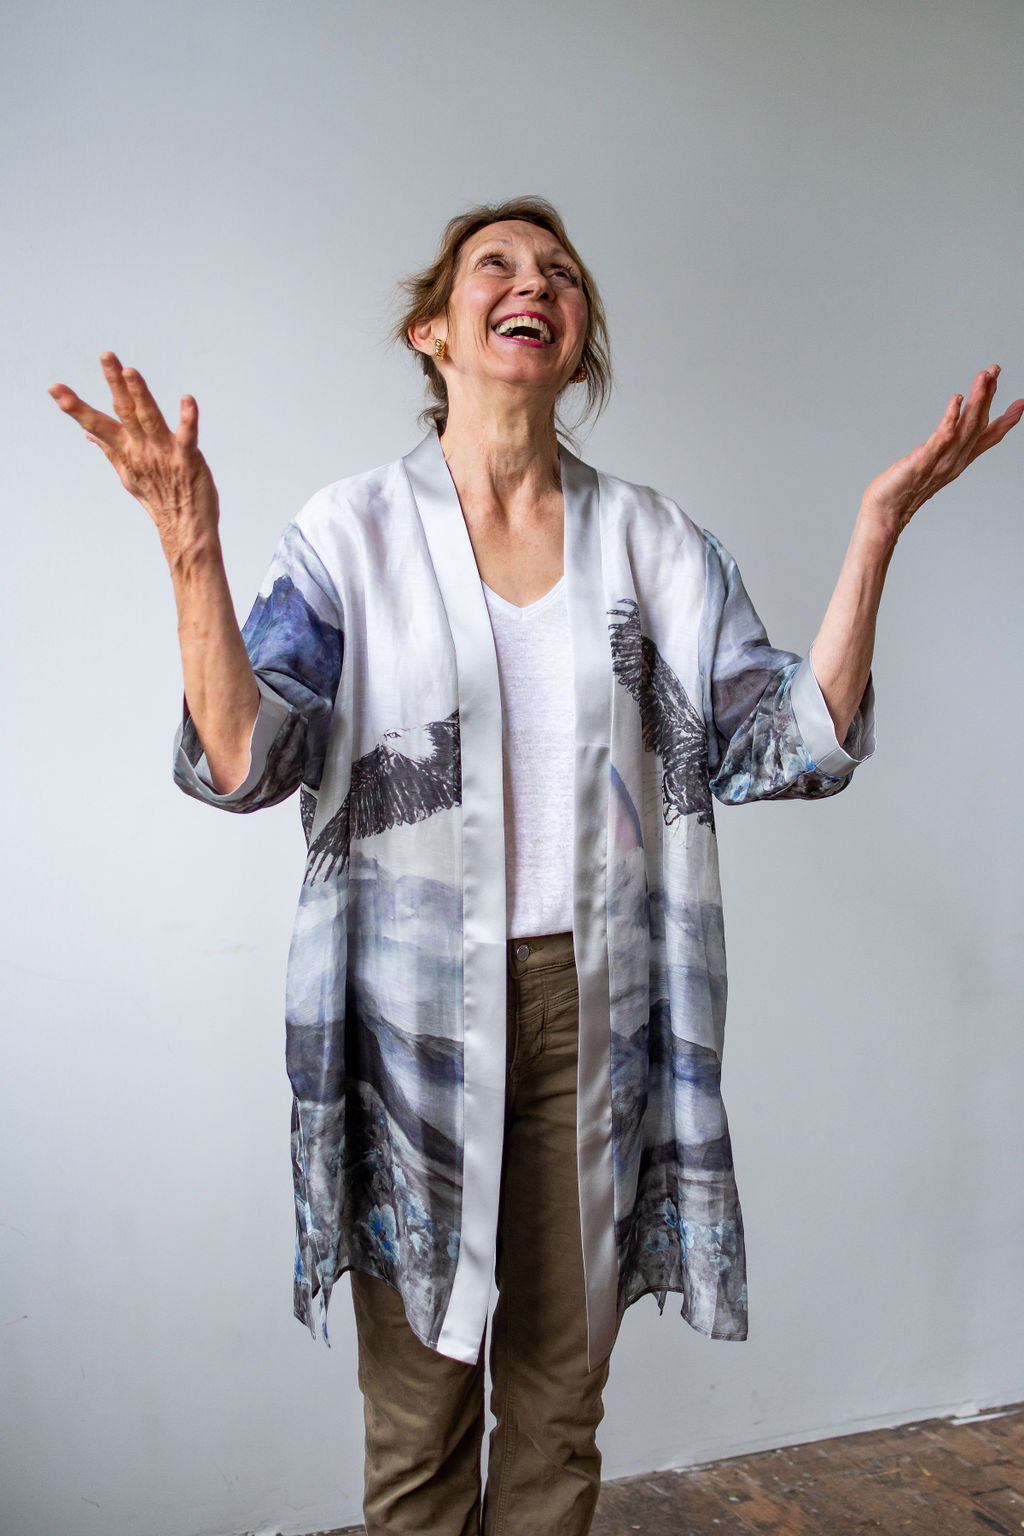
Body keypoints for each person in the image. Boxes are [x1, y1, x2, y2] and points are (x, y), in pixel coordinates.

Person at [49, 196, 1021, 1536]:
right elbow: (244, 756)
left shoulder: (654, 544)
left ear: (575, 340)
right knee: (418, 1425)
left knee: (560, 1413)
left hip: (594, 1014)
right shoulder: (351, 534)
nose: (533, 283)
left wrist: (876, 529)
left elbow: (787, 742)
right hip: (405, 1026)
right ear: (433, 330)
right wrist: (190, 547)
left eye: (560, 273)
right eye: (495, 266)